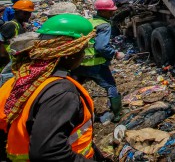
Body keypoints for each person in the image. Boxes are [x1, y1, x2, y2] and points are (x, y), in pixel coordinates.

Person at [0, 14, 100, 161]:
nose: (83, 54)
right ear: (69, 53)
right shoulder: (61, 93)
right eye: (82, 49)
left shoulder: (20, 78)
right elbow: (49, 152)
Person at [72, 0, 124, 122]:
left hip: (80, 63)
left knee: (75, 89)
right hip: (95, 64)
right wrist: (115, 53)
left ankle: (77, 114)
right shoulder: (104, 25)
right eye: (111, 11)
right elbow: (101, 47)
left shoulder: (89, 21)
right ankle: (117, 114)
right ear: (104, 12)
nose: (113, 13)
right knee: (110, 86)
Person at [0, 0, 34, 68]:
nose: (28, 15)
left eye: (29, 13)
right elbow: (2, 49)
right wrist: (8, 65)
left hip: (15, 64)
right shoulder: (11, 25)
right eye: (25, 13)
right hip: (7, 66)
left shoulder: (19, 25)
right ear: (17, 12)